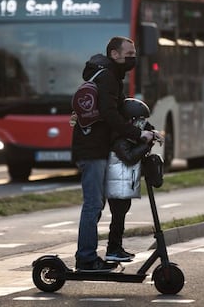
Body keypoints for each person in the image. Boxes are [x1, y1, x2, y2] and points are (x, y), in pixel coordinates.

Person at [71, 36, 159, 272]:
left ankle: (92, 255)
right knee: (93, 204)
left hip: (95, 147)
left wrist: (146, 129)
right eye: (128, 53)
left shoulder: (108, 75)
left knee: (97, 203)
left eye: (134, 53)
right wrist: (138, 135)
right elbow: (111, 115)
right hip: (91, 149)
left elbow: (119, 111)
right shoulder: (107, 77)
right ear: (114, 54)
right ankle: (86, 259)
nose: (133, 57)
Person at [105, 98, 161, 262]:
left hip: (124, 182)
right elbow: (129, 157)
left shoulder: (129, 135)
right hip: (118, 183)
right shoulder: (121, 139)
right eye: (140, 120)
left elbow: (145, 130)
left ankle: (116, 247)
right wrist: (147, 144)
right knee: (118, 216)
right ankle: (113, 249)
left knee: (121, 214)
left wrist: (151, 134)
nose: (143, 124)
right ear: (130, 120)